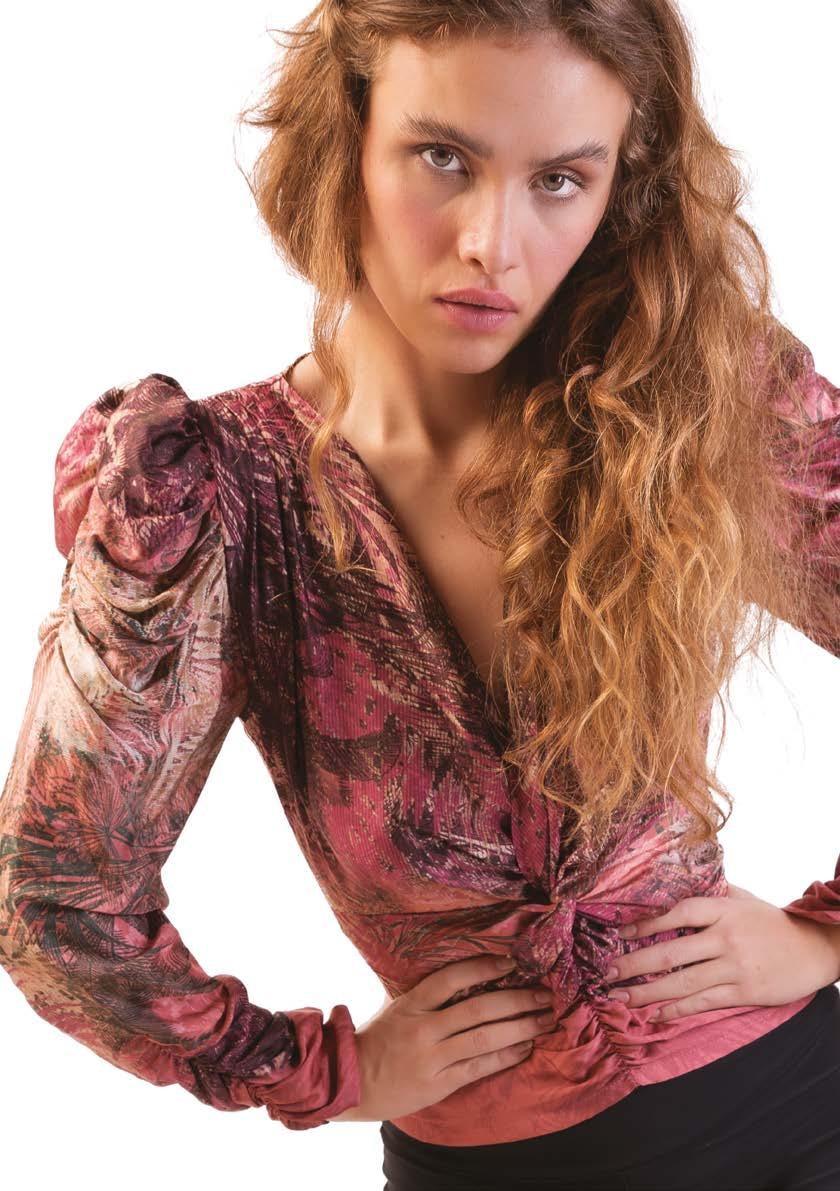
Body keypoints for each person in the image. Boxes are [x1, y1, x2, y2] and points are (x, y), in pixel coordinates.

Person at [0, 1, 838, 1188]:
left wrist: (819, 936)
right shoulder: (209, 494)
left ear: (620, 191)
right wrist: (320, 1071)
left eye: (560, 180)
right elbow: (56, 897)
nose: (494, 243)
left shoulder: (692, 404)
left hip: (802, 1105)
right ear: (345, 140)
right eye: (443, 158)